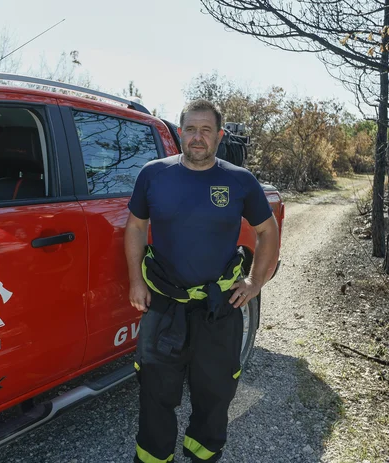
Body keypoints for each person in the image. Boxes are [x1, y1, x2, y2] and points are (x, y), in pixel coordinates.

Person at [125, 99, 280, 463]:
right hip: (164, 306)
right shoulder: (153, 174)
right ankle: (153, 457)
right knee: (155, 393)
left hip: (218, 309)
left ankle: (203, 455)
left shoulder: (239, 181)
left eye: (206, 130)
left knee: (215, 394)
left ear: (219, 136)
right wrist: (136, 280)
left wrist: (256, 282)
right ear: (180, 133)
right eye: (191, 129)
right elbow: (135, 226)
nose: (198, 137)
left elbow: (267, 230)